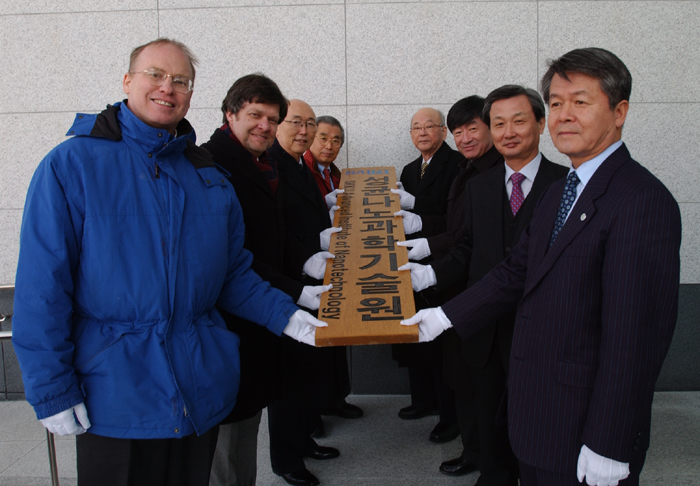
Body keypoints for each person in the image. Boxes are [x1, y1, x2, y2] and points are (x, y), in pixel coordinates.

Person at [12, 39, 325, 486]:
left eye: (181, 80)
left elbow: (232, 272)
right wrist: (51, 388)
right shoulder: (72, 165)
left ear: (192, 94)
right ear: (127, 81)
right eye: (155, 75)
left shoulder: (208, 175)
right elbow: (43, 287)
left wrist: (288, 317)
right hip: (114, 394)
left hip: (199, 385)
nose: (168, 88)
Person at [402, 48, 682, 486]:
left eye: (581, 102)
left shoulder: (641, 200)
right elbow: (513, 273)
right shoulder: (560, 194)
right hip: (536, 416)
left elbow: (636, 337)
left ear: (620, 110)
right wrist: (439, 318)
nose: (564, 115)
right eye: (556, 103)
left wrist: (611, 439)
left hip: (586, 424)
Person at [401, 85, 568, 485]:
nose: (508, 132)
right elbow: (466, 251)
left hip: (543, 332)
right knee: (486, 414)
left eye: (519, 121)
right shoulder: (481, 186)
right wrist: (424, 274)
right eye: (498, 124)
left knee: (541, 427)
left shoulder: (567, 184)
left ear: (541, 124)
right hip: (485, 331)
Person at [202, 74, 333, 486]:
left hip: (266, 305)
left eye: (272, 118)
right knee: (227, 429)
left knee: (249, 421)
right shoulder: (209, 163)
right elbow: (233, 260)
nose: (265, 126)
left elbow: (276, 231)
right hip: (231, 315)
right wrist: (297, 289)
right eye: (255, 115)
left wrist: (309, 263)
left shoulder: (265, 161)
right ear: (230, 113)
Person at [397, 95, 503, 476]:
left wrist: (427, 265)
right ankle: (475, 451)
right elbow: (458, 231)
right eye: (459, 131)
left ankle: (483, 458)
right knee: (463, 375)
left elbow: (471, 242)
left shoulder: (489, 172)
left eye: (471, 128)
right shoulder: (471, 170)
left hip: (475, 289)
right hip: (456, 284)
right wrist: (422, 244)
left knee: (479, 380)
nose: (465, 137)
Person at [267, 99, 350, 486]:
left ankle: (302, 440)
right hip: (286, 283)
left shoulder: (302, 165)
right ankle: (286, 459)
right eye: (295, 122)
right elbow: (275, 234)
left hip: (311, 279)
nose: (304, 131)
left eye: (309, 123)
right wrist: (308, 259)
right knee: (287, 377)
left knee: (305, 369)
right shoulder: (270, 166)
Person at [390, 107, 463, 446]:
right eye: (415, 127)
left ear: (444, 131)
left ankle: (449, 417)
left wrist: (416, 207)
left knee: (443, 344)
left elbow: (454, 219)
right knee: (413, 334)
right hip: (409, 264)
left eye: (429, 126)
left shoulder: (458, 164)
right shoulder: (407, 168)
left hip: (443, 263)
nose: (422, 133)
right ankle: (423, 400)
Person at [303, 116, 364, 422]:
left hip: (339, 265)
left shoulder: (337, 174)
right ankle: (314, 411)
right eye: (323, 137)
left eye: (336, 140)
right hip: (311, 268)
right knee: (315, 340)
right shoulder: (303, 172)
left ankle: (335, 399)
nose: (329, 145)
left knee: (336, 332)